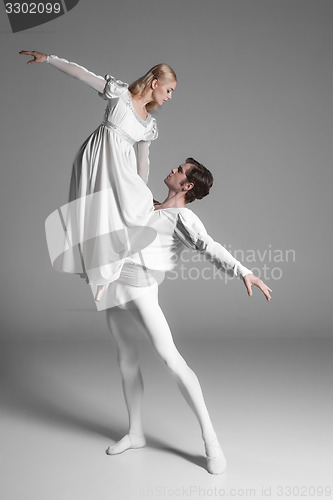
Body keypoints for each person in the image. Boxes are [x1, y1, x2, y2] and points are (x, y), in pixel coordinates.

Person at [102, 157, 272, 474]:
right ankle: (135, 433)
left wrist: (243, 272)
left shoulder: (182, 218)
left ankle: (211, 442)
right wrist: (143, 142)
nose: (173, 169)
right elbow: (137, 175)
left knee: (172, 360)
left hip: (141, 293)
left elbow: (210, 246)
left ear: (187, 185)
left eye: (180, 170)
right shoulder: (149, 205)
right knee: (126, 359)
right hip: (115, 290)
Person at [19, 50, 177, 298]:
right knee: (100, 212)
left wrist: (141, 192)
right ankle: (102, 272)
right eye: (169, 90)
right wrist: (49, 59)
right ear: (155, 83)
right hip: (98, 156)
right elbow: (82, 74)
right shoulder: (121, 95)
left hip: (121, 166)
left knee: (129, 210)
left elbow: (143, 161)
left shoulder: (148, 124)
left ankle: (111, 269)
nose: (170, 97)